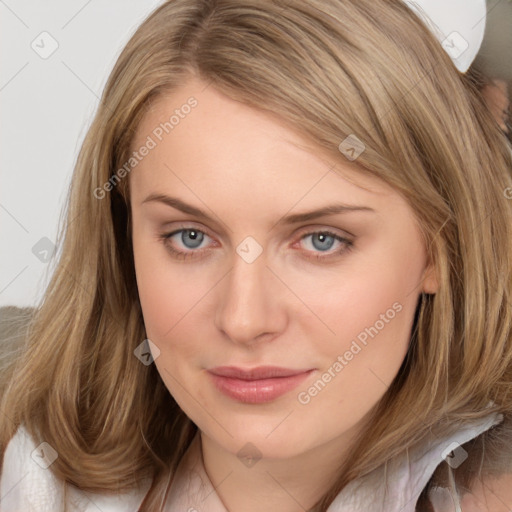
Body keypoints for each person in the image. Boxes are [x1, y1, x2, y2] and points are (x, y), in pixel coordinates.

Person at [1, 0, 512, 511]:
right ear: (123, 238)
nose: (243, 320)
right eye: (190, 237)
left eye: (321, 240)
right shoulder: (36, 478)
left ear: (438, 249)